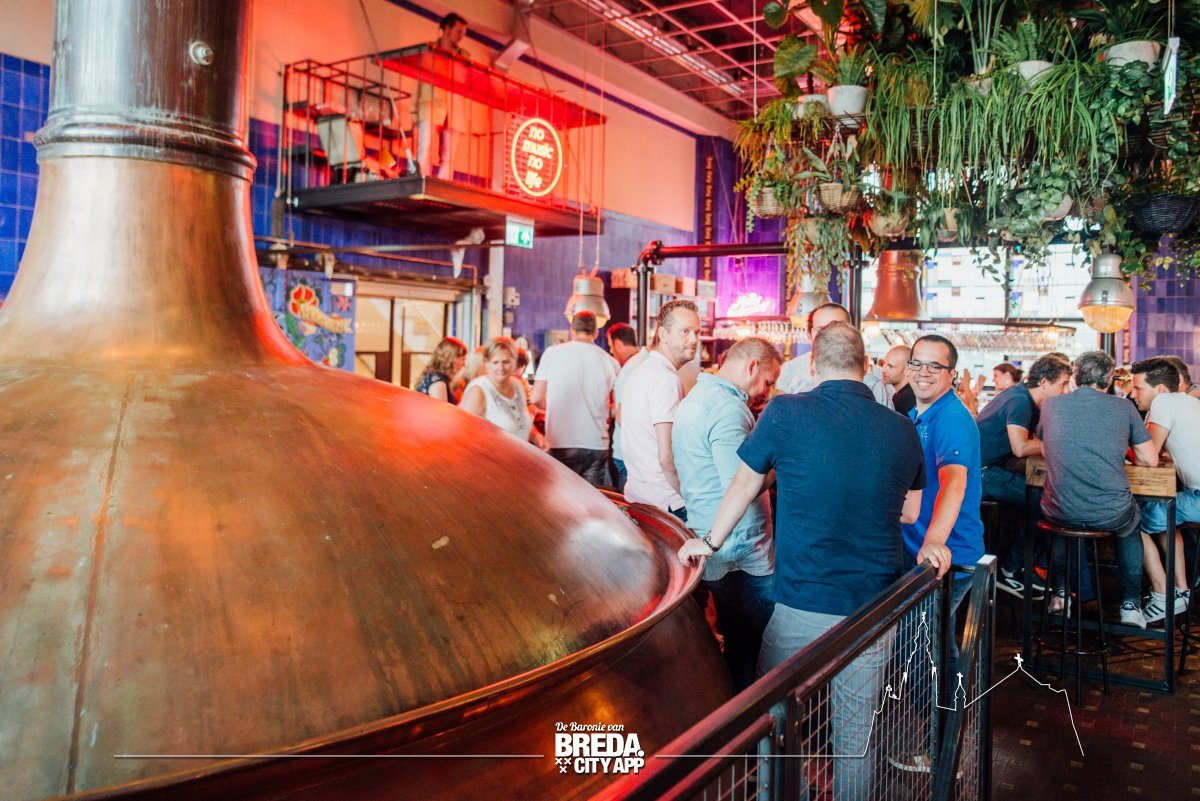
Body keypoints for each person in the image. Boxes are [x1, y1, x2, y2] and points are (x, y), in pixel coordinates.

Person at [678, 321, 924, 801]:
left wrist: (709, 542)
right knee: (856, 742)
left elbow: (744, 485)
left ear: (813, 365)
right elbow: (911, 511)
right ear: (866, 366)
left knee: (774, 721)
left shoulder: (786, 411)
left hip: (801, 603)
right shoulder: (901, 426)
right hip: (873, 608)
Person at [672, 336, 782, 690]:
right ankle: (753, 716)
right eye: (767, 381)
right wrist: (779, 465)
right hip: (740, 548)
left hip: (710, 533)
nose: (766, 391)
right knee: (758, 647)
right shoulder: (728, 409)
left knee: (736, 640)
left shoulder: (695, 398)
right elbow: (741, 483)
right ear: (751, 367)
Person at [1038, 351, 1158, 627]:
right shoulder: (1124, 407)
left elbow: (1045, 450)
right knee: (1130, 525)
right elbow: (1150, 459)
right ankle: (1130, 605)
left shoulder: (1051, 404)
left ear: (1076, 376)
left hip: (1059, 511)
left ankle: (1060, 595)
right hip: (1110, 514)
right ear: (1109, 379)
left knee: (1059, 520)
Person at [976, 354, 1072, 596]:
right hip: (982, 472)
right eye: (1062, 384)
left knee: (1043, 497)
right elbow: (1020, 447)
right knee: (1047, 503)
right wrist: (1059, 443)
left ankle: (1025, 565)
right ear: (1044, 382)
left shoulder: (1023, 397)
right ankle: (1011, 570)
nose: (1065, 390)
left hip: (989, 468)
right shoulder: (1019, 401)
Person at [1130, 357, 1198, 623]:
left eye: (1138, 388)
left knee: (1131, 520)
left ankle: (1164, 596)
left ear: (1159, 389)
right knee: (1165, 513)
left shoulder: (1164, 402)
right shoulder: (1188, 402)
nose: (1133, 395)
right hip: (1194, 495)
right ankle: (1180, 591)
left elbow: (1147, 456)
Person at [621, 300, 701, 518]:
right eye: (685, 331)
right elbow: (666, 457)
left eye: (697, 332)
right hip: (666, 501)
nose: (694, 340)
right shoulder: (666, 379)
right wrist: (691, 498)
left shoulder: (643, 370)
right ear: (663, 334)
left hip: (640, 495)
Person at [531, 311, 619, 486]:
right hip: (595, 443)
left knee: (560, 497)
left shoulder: (552, 353)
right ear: (596, 332)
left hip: (559, 441)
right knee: (590, 499)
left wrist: (554, 406)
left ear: (572, 330)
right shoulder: (610, 361)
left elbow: (536, 398)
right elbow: (617, 408)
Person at [775, 303, 889, 405]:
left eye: (838, 328)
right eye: (821, 330)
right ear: (811, 333)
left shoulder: (873, 381)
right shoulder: (791, 369)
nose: (829, 335)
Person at [416, 13, 470, 179]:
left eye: (463, 33)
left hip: (454, 105)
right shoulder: (429, 49)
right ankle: (422, 182)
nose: (461, 37)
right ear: (447, 29)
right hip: (431, 103)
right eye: (458, 31)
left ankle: (442, 185)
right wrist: (415, 109)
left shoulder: (464, 56)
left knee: (448, 156)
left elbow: (464, 79)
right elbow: (421, 79)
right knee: (425, 148)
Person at [461, 337, 534, 442]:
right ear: (487, 363)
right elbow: (465, 435)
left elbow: (520, 424)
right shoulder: (479, 390)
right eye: (495, 362)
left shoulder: (517, 385)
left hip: (519, 452)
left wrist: (536, 437)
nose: (501, 367)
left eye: (506, 362)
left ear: (514, 361)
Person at [608, 323, 648, 490]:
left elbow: (621, 417)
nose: (611, 351)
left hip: (629, 455)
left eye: (611, 346)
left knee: (630, 500)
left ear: (618, 344)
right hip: (635, 454)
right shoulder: (643, 362)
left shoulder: (631, 368)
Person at [414, 336, 467, 403]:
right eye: (462, 359)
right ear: (450, 359)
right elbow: (441, 410)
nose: (464, 364)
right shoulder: (438, 382)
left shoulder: (433, 376)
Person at [881, 344, 915, 415]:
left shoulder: (906, 400)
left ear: (907, 371)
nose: (883, 369)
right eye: (883, 364)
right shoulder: (904, 395)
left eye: (890, 366)